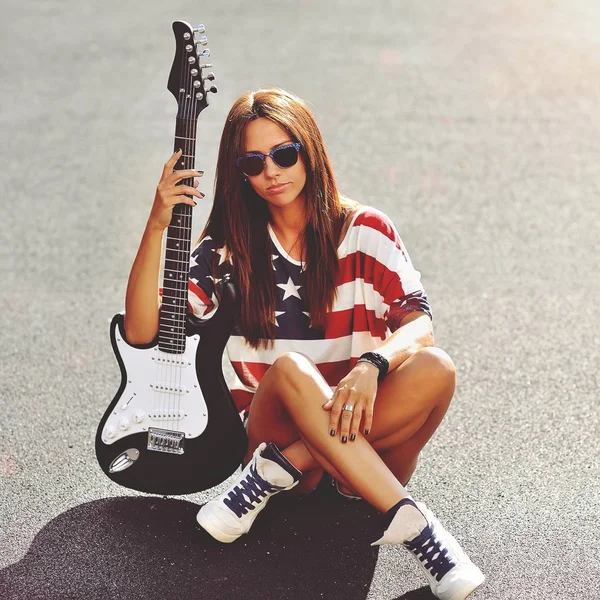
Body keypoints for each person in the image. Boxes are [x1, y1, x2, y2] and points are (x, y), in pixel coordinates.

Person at [123, 88, 485, 600]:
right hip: (274, 428)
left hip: (355, 444)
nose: (272, 172)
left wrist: (371, 365)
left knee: (437, 366)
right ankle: (422, 533)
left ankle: (280, 469)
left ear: (309, 150)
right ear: (238, 173)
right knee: (291, 369)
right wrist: (157, 224)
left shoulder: (364, 230)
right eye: (253, 162)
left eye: (285, 153)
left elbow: (419, 324)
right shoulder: (229, 246)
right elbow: (142, 331)